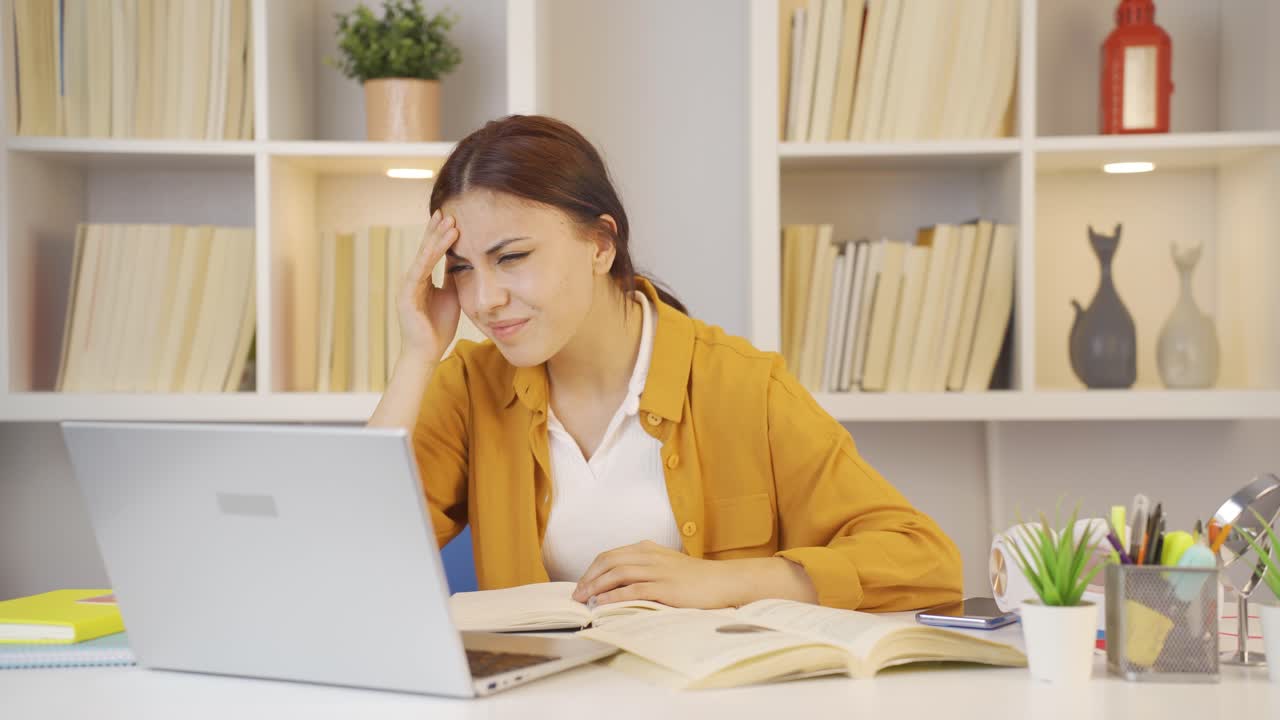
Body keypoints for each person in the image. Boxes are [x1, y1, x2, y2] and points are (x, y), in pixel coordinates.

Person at [369, 114, 962, 612]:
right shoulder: (469, 387)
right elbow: (350, 556)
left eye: (512, 257)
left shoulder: (743, 386)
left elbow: (925, 562)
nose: (483, 300)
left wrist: (728, 582)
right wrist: (417, 355)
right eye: (462, 268)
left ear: (601, 244)